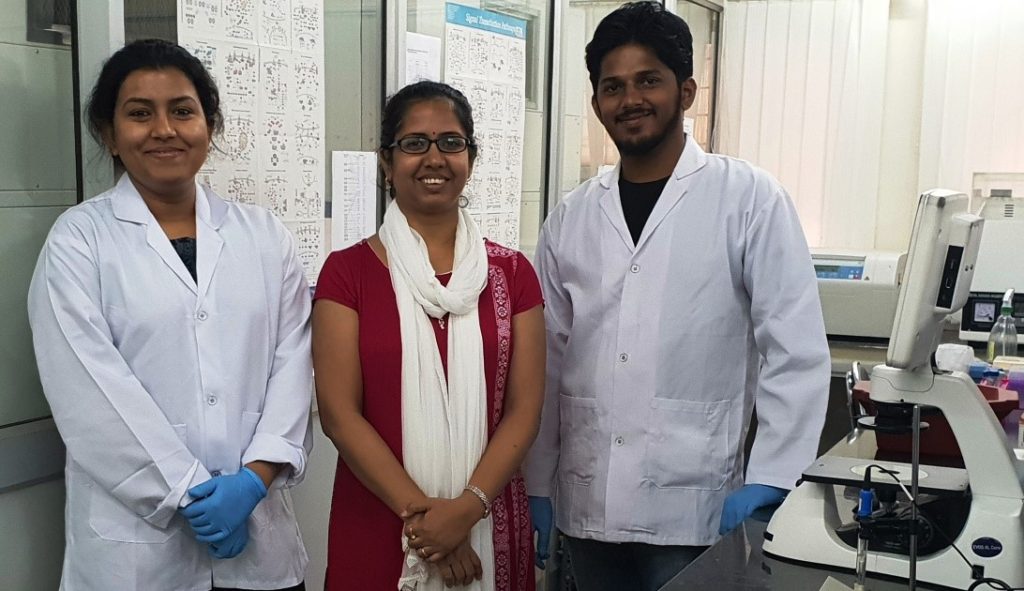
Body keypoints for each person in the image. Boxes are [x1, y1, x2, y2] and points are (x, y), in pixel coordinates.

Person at [524, 3, 831, 590]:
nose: (629, 99)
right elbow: (548, 360)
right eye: (612, 87)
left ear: (686, 91)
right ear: (596, 105)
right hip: (589, 504)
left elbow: (793, 350)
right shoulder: (571, 216)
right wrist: (539, 481)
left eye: (648, 81)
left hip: (697, 510)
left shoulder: (750, 200)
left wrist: (773, 474)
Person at [27, 39, 312, 591]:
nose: (164, 129)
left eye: (182, 110)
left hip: (258, 542)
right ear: (109, 133)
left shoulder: (263, 235)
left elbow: (294, 362)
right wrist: (187, 492)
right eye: (139, 113)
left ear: (209, 125)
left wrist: (253, 482)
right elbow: (87, 390)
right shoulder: (79, 241)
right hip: (137, 558)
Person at [312, 80, 545, 591]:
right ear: (386, 162)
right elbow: (338, 413)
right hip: (379, 521)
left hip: (487, 517)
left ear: (470, 157)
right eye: (414, 143)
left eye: (451, 142)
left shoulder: (513, 274)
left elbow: (524, 410)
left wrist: (466, 510)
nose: (434, 157)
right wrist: (427, 522)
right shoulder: (346, 273)